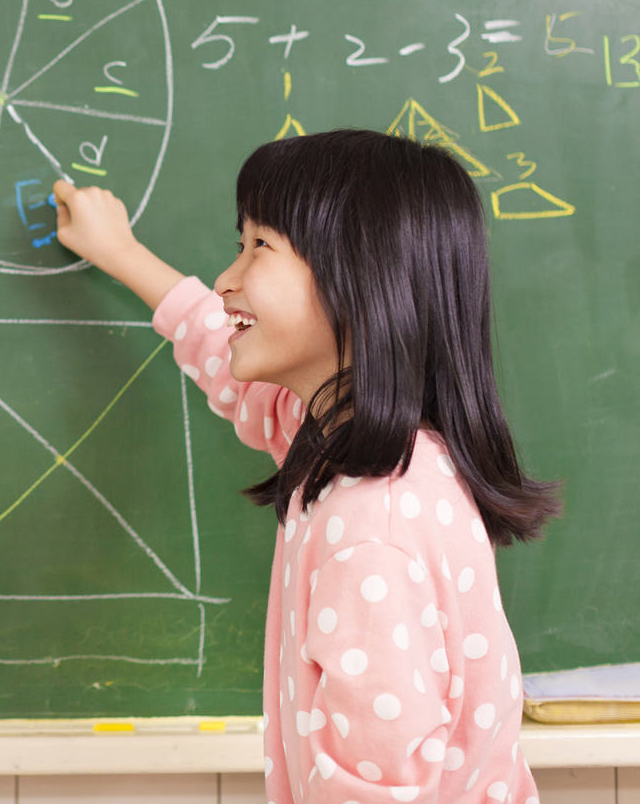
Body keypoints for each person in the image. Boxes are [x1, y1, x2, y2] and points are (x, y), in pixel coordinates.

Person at [53, 129, 559, 804]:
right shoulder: (359, 447)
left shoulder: (368, 529)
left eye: (259, 246)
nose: (228, 278)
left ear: (361, 274)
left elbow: (375, 791)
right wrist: (122, 255)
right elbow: (231, 368)